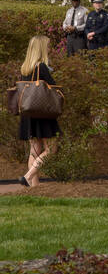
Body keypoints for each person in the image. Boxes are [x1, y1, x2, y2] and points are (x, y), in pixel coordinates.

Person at [17, 36, 61, 188]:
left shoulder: (25, 67)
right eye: (47, 46)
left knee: (34, 150)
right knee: (51, 148)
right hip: (42, 113)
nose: (49, 49)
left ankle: (34, 187)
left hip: (28, 113)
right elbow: (53, 87)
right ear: (41, 48)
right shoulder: (41, 67)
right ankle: (28, 176)